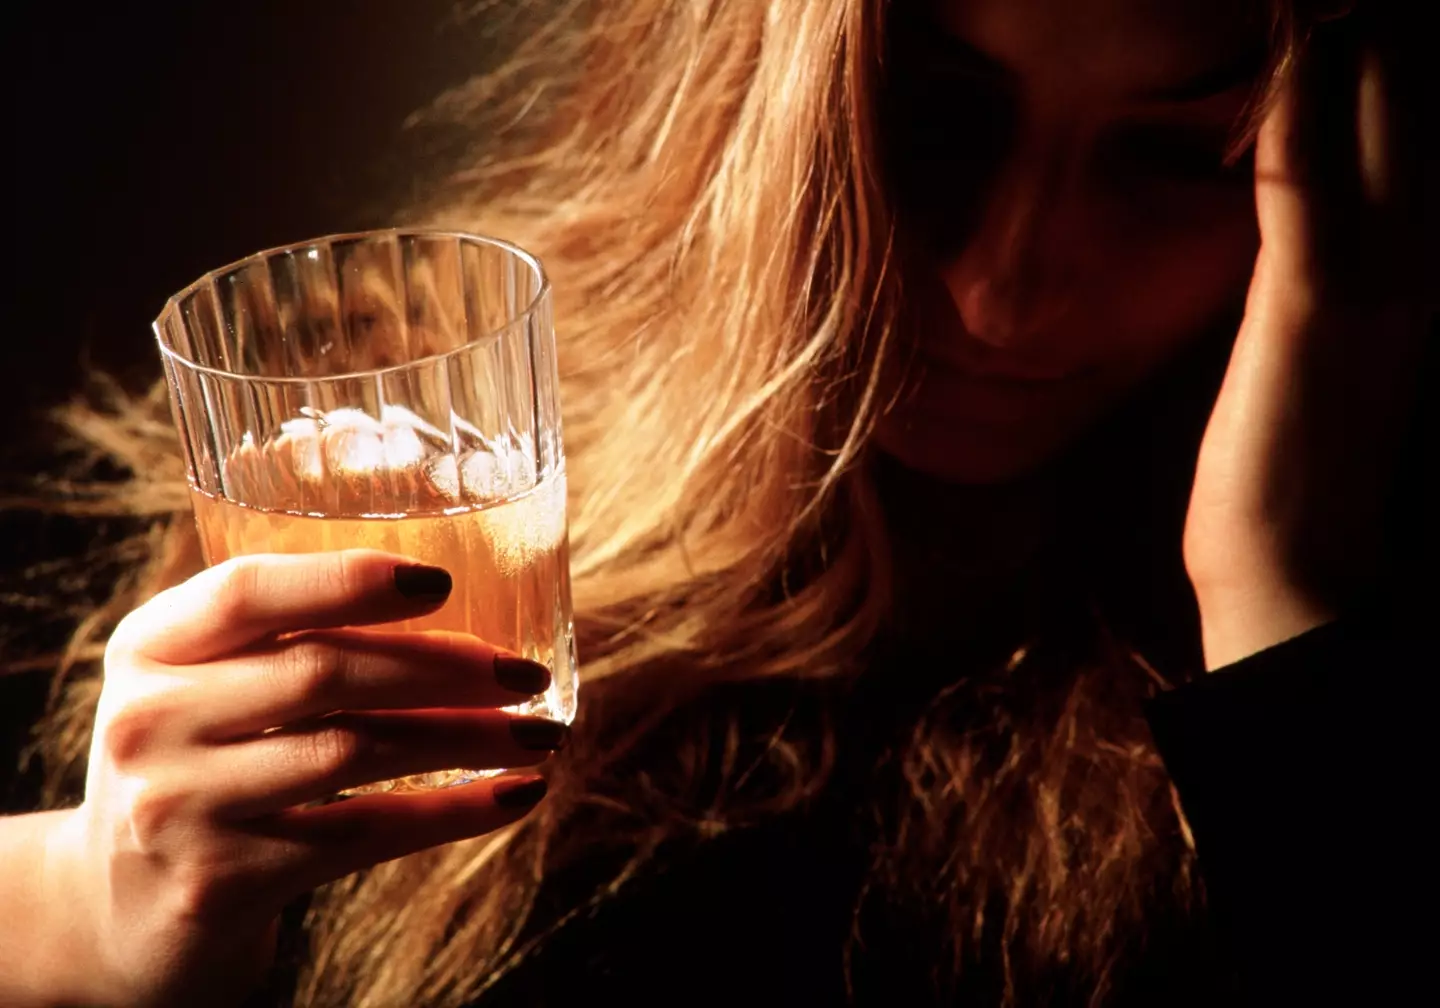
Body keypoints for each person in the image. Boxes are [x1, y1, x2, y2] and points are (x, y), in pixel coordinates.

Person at [0, 0, 1429, 1005]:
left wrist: (1282, 604)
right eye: (930, 119)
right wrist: (89, 906)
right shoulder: (375, 457)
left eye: (1174, 155)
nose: (1009, 289)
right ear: (754, 110)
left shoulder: (1352, 604)